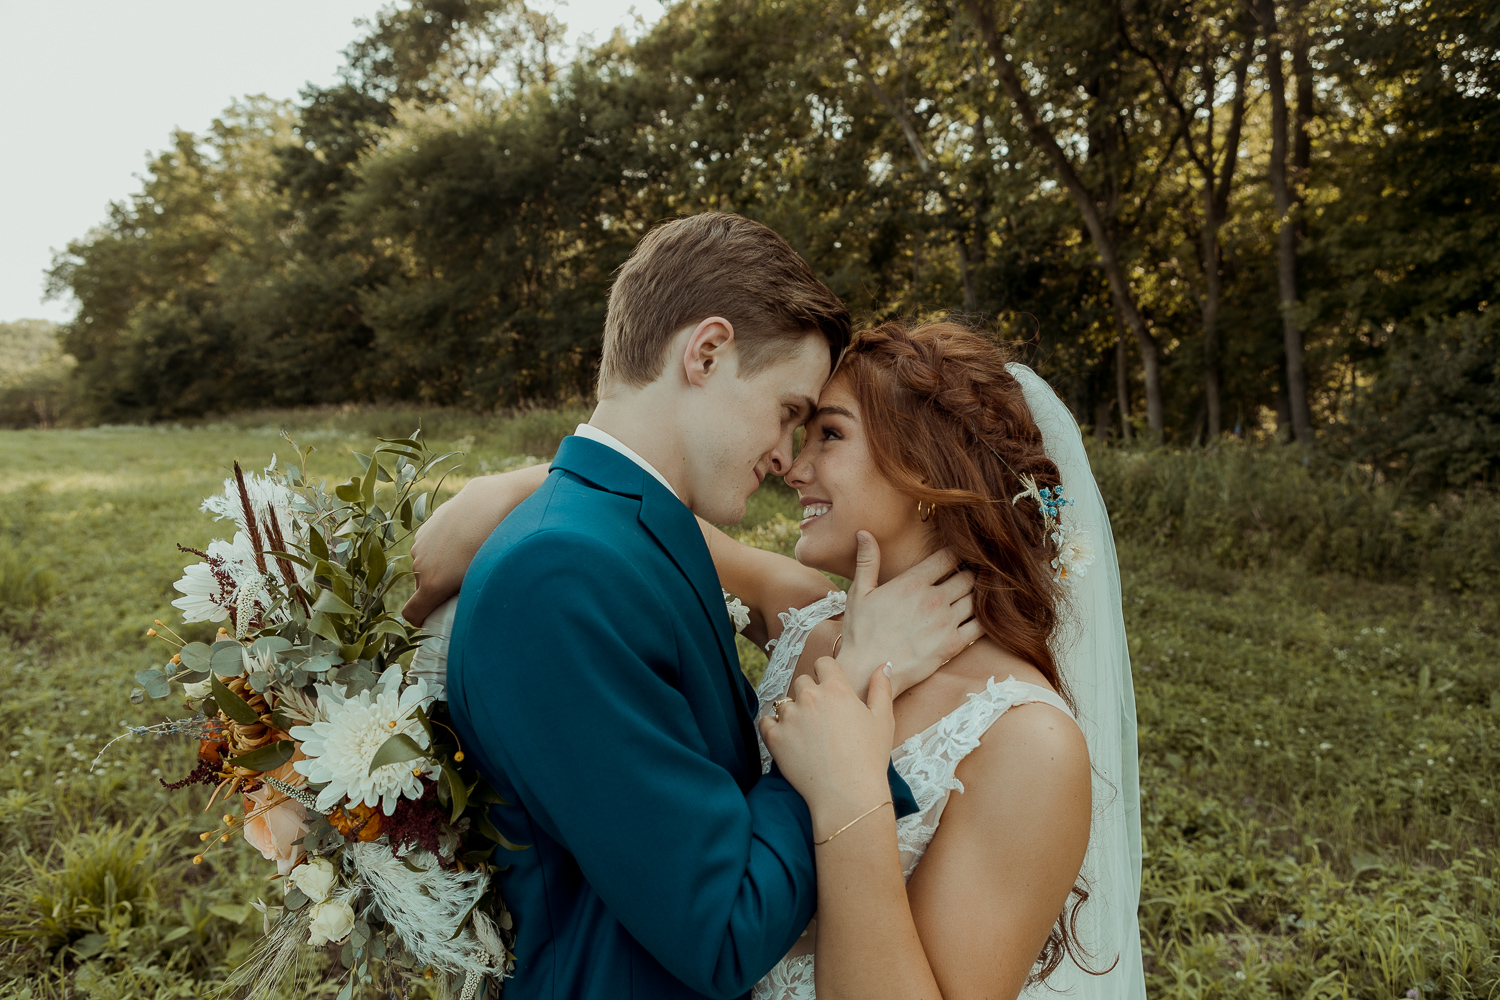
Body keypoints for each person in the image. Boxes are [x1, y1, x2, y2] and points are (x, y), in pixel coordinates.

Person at [414, 318, 1146, 998]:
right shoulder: (807, 617)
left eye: (829, 434)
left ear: (925, 469)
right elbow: (625, 506)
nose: (794, 467)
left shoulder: (1026, 742)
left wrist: (847, 786)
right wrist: (494, 494)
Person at [432, 213, 980, 1000]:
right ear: (708, 352)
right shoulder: (563, 574)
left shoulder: (621, 530)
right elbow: (721, 928)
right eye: (791, 411)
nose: (788, 457)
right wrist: (854, 684)